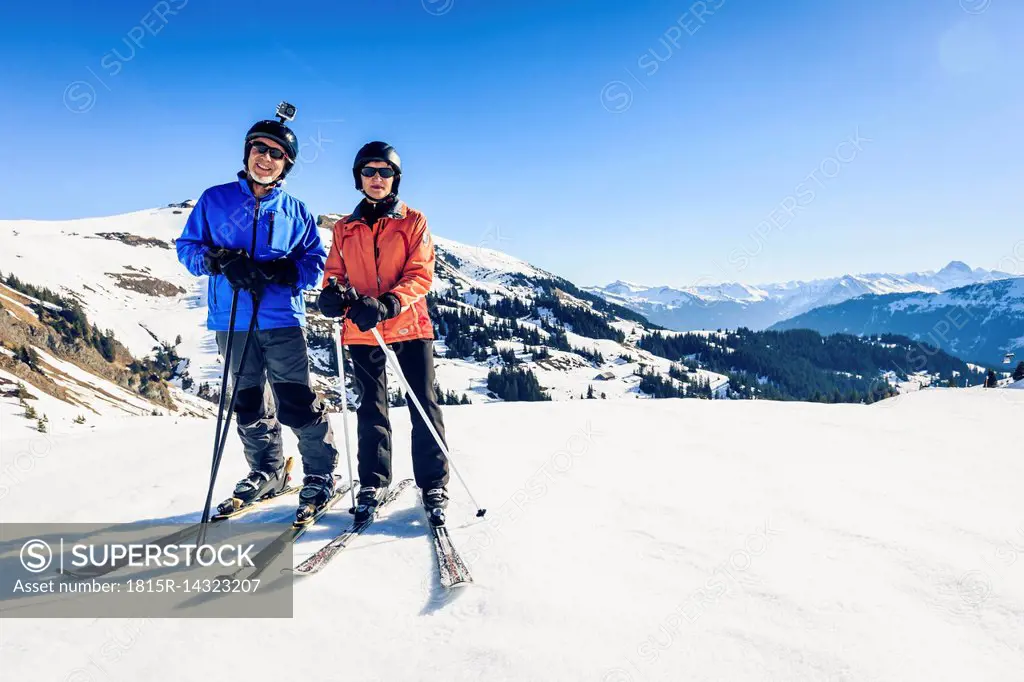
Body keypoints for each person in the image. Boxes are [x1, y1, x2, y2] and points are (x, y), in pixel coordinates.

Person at [175, 109, 341, 521]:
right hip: (230, 320)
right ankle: (266, 471)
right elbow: (187, 248)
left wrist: (290, 271)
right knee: (248, 402)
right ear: (247, 153)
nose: (265, 158)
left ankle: (320, 474)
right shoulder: (215, 200)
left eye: (276, 154)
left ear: (287, 165)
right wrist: (217, 260)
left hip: (282, 318)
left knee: (296, 401)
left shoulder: (297, 211)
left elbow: (316, 261)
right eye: (259, 149)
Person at [319, 141, 451, 525]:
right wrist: (332, 295)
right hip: (363, 329)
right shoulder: (345, 228)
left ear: (396, 178)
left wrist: (389, 303)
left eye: (385, 172)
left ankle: (433, 483)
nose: (377, 179)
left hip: (408, 324)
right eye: (369, 171)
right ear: (358, 177)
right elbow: (336, 272)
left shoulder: (413, 221)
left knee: (422, 404)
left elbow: (421, 274)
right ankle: (373, 482)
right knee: (371, 408)